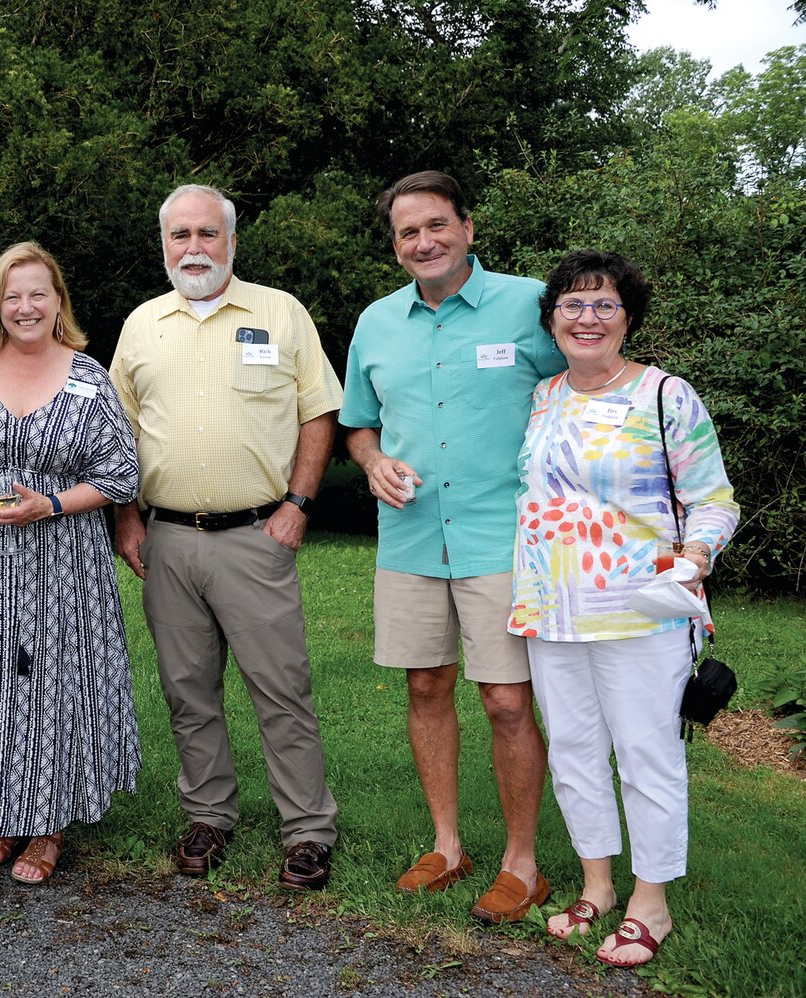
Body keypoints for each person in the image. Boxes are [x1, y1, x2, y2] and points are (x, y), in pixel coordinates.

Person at [340, 170, 565, 923]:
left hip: (504, 537)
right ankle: (447, 845)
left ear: (467, 227)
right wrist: (371, 463)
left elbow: (581, 393)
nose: (423, 241)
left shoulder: (527, 304)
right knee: (426, 687)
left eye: (436, 225)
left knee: (504, 700)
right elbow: (358, 421)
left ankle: (521, 864)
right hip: (408, 536)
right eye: (408, 232)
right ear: (395, 245)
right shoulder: (375, 322)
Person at [510, 250, 738, 967]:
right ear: (552, 320)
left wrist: (696, 556)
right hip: (551, 609)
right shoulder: (543, 396)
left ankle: (650, 901)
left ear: (627, 318)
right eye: (572, 304)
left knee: (647, 757)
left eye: (603, 304)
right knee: (575, 755)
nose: (587, 317)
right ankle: (596, 883)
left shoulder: (665, 395)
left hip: (641, 610)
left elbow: (713, 499)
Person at [110, 183, 341, 890]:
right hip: (168, 540)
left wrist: (298, 503)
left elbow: (317, 411)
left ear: (231, 242)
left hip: (256, 533)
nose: (193, 248)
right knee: (187, 689)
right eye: (179, 236)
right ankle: (207, 814)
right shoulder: (141, 325)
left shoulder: (280, 313)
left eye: (207, 234)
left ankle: (307, 829)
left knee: (281, 689)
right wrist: (125, 518)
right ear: (163, 245)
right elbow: (116, 435)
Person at [0, 241, 141, 885]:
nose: (25, 306)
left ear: (58, 300)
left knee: (54, 679)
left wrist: (53, 504)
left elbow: (122, 474)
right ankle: (4, 812)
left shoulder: (88, 378)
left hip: (63, 555)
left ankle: (48, 822)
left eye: (38, 293)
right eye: (12, 295)